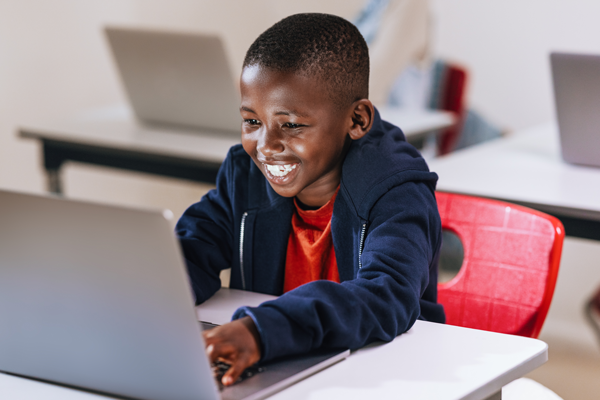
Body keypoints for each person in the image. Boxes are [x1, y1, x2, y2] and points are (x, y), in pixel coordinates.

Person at [176, 13, 445, 387]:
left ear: (357, 119)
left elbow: (385, 297)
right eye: (252, 121)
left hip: (383, 377)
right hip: (282, 366)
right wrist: (143, 295)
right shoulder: (246, 174)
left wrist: (260, 331)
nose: (266, 146)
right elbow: (190, 249)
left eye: (291, 124)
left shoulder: (397, 188)